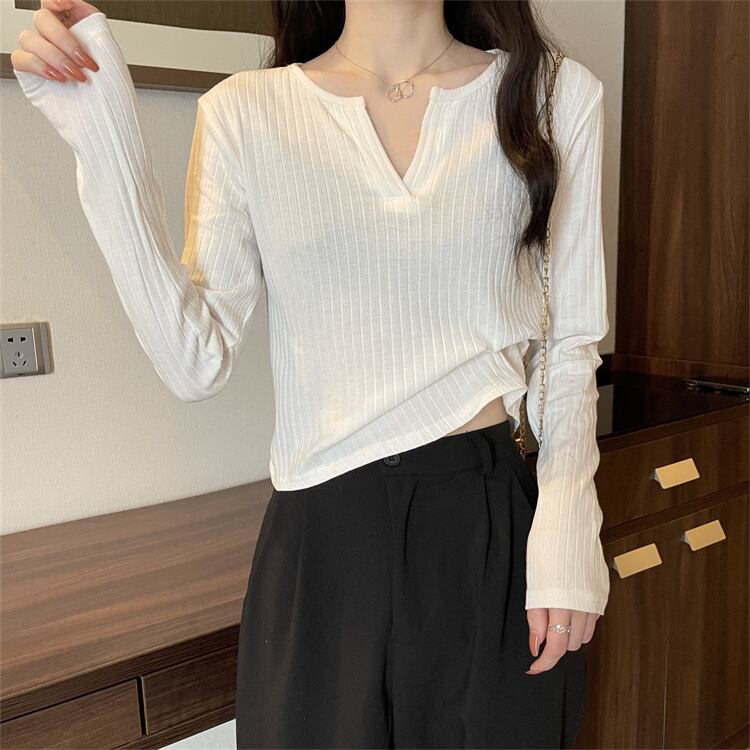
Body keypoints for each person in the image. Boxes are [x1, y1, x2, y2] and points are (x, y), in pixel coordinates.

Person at [11, 0, 610, 747]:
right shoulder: (246, 113)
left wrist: (567, 527)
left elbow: (570, 341)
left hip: (488, 529)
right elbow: (195, 360)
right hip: (322, 537)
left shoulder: (552, 95)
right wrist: (101, 134)